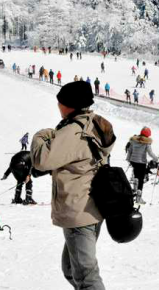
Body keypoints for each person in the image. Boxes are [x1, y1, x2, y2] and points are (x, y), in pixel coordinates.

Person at [30, 81, 116, 290]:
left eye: (61, 102)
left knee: (86, 276)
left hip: (80, 210)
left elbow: (42, 160)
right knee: (71, 268)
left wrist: (41, 135)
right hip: (90, 207)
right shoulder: (93, 123)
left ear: (71, 105)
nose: (58, 106)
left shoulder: (74, 131)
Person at [126, 127, 159, 204]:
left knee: (136, 177)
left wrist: (128, 159)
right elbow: (150, 153)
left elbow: (130, 150)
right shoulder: (147, 142)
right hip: (141, 163)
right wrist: (156, 158)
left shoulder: (133, 140)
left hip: (133, 161)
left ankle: (134, 191)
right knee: (141, 180)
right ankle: (138, 198)